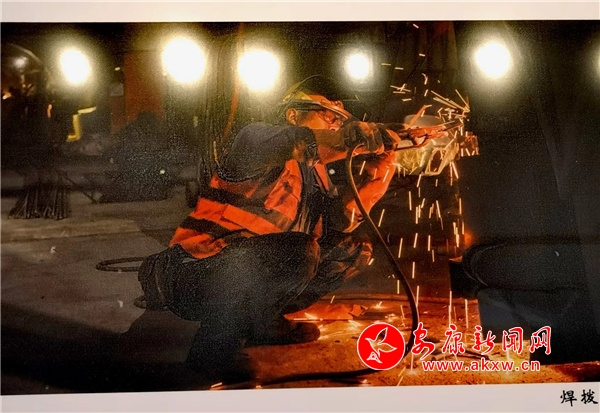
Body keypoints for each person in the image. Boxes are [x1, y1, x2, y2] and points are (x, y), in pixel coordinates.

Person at [139, 75, 433, 384]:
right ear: (293, 115)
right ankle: (213, 349)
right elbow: (305, 142)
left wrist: (377, 176)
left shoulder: (316, 175)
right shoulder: (255, 139)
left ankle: (264, 322)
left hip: (242, 271)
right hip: (194, 271)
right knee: (297, 252)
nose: (336, 124)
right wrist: (363, 138)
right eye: (328, 115)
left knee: (350, 251)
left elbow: (339, 224)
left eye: (340, 119)